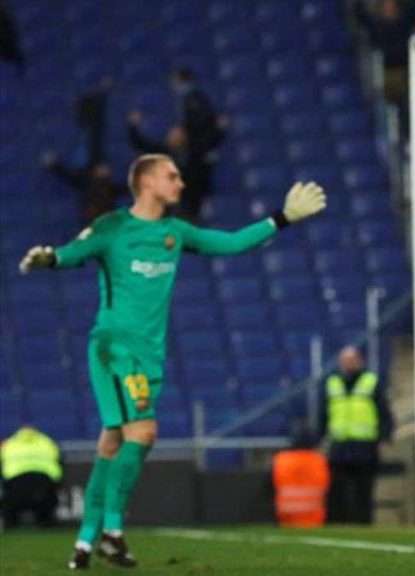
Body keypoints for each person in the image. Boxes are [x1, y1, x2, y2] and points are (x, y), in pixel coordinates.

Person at [18, 153, 326, 570]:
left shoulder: (175, 233)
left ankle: (85, 544)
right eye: (172, 176)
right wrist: (50, 258)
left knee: (112, 444)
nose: (181, 183)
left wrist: (283, 218)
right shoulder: (113, 227)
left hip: (149, 356)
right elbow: (76, 250)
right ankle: (112, 531)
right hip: (115, 348)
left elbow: (230, 243)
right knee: (143, 432)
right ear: (146, 183)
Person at [319, 346, 393, 524]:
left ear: (360, 361)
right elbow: (323, 413)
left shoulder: (370, 381)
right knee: (337, 488)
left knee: (364, 488)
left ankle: (363, 522)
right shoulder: (332, 382)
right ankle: (337, 523)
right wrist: (321, 437)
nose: (349, 363)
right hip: (339, 444)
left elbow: (384, 412)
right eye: (345, 360)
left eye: (352, 359)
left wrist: (384, 436)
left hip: (364, 444)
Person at [1, 425, 62, 528]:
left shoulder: (9, 444)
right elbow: (58, 462)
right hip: (43, 484)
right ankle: (47, 522)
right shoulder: (47, 442)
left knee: (8, 503)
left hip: (15, 485)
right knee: (49, 498)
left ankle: (9, 524)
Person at [272, 428, 330, 528]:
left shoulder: (282, 459)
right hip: (314, 516)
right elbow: (327, 484)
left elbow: (273, 484)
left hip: (285, 514)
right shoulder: (318, 459)